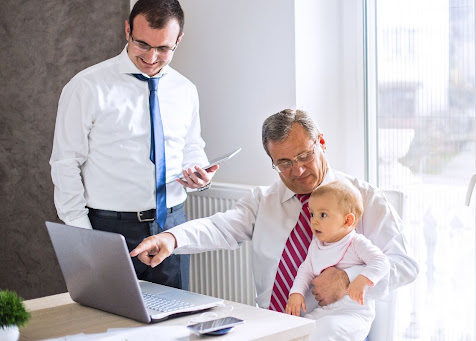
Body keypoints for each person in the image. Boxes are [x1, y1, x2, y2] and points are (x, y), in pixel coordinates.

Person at [130, 109, 419, 338]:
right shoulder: (264, 200)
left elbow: (404, 264)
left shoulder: (364, 197)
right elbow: (221, 226)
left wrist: (348, 280)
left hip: (335, 325)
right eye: (284, 163)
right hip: (271, 322)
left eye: (304, 155)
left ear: (321, 142)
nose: (299, 170)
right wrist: (171, 239)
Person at [49, 0, 217, 290]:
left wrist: (199, 172)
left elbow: (191, 145)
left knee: (174, 326)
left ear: (178, 41)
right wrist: (84, 236)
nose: (151, 57)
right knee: (111, 329)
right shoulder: (86, 87)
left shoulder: (186, 90)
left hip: (172, 226)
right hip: (109, 229)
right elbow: (65, 164)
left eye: (164, 49)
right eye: (142, 44)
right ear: (128, 30)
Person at [286, 179, 390, 340]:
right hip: (326, 311)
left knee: (329, 328)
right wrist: (296, 293)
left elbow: (381, 262)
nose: (314, 220)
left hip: (354, 315)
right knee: (301, 329)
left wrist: (362, 279)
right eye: (312, 213)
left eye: (323, 215)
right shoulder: (317, 244)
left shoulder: (356, 243)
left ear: (347, 221)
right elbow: (305, 269)